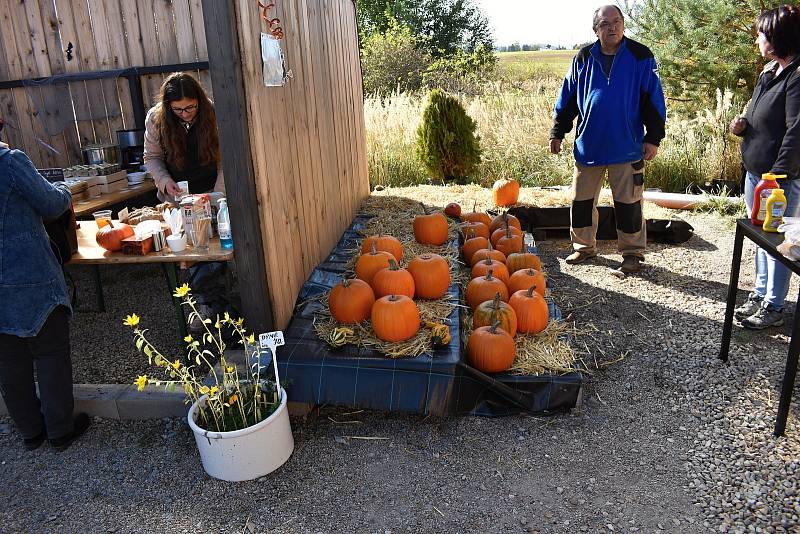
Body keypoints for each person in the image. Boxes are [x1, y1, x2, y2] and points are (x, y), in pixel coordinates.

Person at [549, 5, 666, 273]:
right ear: (595, 29)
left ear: (623, 25)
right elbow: (567, 100)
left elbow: (654, 102)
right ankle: (583, 248)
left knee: (629, 205)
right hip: (588, 146)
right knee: (581, 203)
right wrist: (558, 132)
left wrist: (654, 138)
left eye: (616, 22)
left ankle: (632, 254)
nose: (611, 27)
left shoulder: (641, 56)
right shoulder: (583, 57)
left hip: (626, 147)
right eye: (604, 23)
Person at [0, 120, 91, 451]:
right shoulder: (10, 162)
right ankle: (60, 429)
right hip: (28, 273)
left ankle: (30, 432)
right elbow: (51, 204)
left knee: (9, 360)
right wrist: (65, 191)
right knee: (50, 351)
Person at [730, 6, 800, 330]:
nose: (757, 40)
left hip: (778, 180)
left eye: (761, 34)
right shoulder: (769, 71)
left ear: (776, 37)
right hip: (755, 175)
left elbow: (796, 131)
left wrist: (777, 178)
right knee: (760, 240)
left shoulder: (797, 77)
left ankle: (774, 306)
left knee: (778, 245)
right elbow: (761, 115)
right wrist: (744, 125)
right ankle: (759, 296)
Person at [144, 72, 225, 201]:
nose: (185, 114)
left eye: (190, 107)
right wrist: (164, 181)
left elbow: (225, 159)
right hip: (175, 198)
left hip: (212, 192)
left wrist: (218, 195)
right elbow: (152, 157)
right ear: (168, 106)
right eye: (177, 109)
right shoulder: (155, 118)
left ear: (199, 100)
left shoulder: (214, 113)